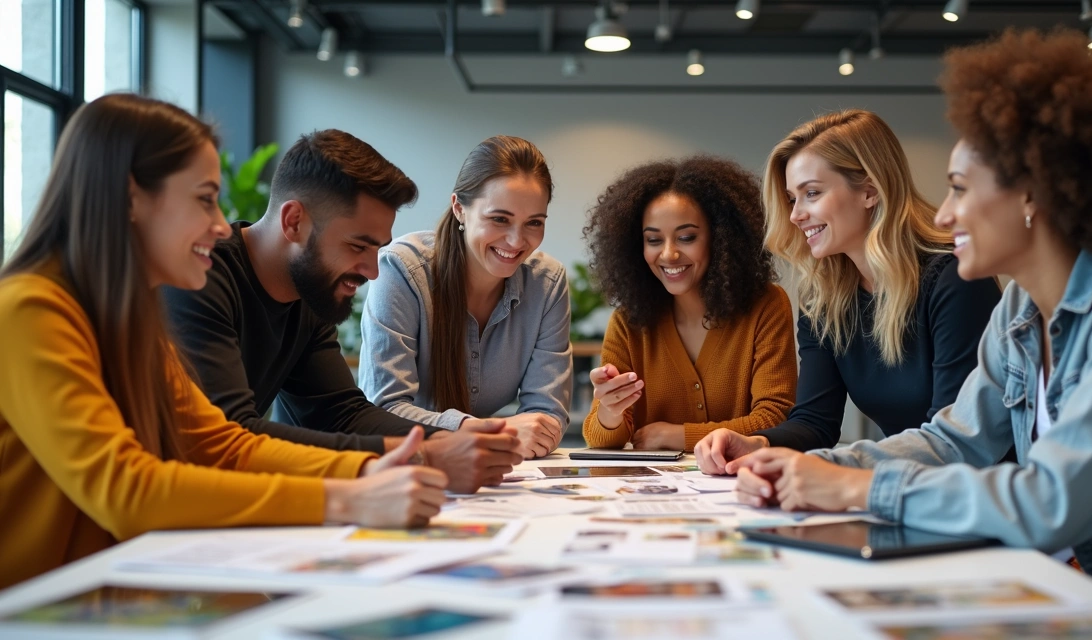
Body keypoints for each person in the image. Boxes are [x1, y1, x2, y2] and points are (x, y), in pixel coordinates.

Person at [731, 30, 1092, 628]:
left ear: (1033, 192)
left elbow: (1051, 501)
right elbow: (952, 441)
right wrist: (816, 467)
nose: (945, 213)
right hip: (1070, 591)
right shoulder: (1017, 313)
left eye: (961, 189)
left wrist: (853, 489)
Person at [0, 94, 448, 589]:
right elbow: (128, 491)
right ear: (131, 199)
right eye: (203, 198)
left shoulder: (130, 321)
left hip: (99, 591)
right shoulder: (28, 309)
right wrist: (344, 498)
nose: (220, 224)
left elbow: (220, 444)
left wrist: (368, 470)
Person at [163, 130, 520, 494]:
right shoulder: (199, 280)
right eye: (356, 246)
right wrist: (422, 454)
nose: (372, 270)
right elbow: (232, 433)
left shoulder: (309, 293)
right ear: (294, 222)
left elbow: (340, 413)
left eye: (376, 249)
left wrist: (456, 434)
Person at [695, 110, 1003, 474]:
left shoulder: (955, 279)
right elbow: (814, 423)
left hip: (978, 497)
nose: (795, 215)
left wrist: (841, 477)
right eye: (792, 198)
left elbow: (955, 443)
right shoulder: (825, 299)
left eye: (812, 193)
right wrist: (758, 443)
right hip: (904, 487)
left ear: (869, 191)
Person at [359, 136, 571, 460]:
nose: (516, 241)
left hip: (490, 474)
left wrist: (500, 436)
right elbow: (384, 411)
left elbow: (546, 418)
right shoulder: (401, 271)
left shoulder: (547, 284)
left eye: (534, 223)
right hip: (403, 466)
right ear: (460, 208)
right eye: (499, 219)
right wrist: (499, 432)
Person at [581, 156, 796, 452]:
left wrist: (676, 436)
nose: (668, 254)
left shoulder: (766, 306)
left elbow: (775, 419)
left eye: (686, 237)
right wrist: (609, 410)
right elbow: (601, 439)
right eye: (654, 240)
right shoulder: (628, 322)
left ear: (720, 238)